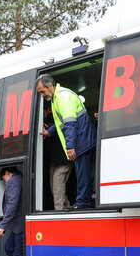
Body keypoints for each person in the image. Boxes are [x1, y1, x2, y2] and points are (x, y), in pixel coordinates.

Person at [36, 74, 97, 210]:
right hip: (81, 140)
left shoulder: (63, 97)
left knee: (83, 175)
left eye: (42, 91)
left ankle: (83, 204)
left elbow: (70, 124)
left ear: (50, 86)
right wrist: (49, 131)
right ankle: (82, 202)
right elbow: (61, 122)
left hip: (82, 142)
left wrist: (70, 147)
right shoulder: (56, 98)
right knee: (82, 174)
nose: (41, 95)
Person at [43, 104, 73, 210]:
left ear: (49, 109)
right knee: (56, 188)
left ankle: (59, 211)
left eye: (44, 111)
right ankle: (66, 207)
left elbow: (59, 125)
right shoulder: (47, 123)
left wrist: (48, 128)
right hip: (55, 162)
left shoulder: (56, 119)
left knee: (57, 187)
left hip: (64, 160)